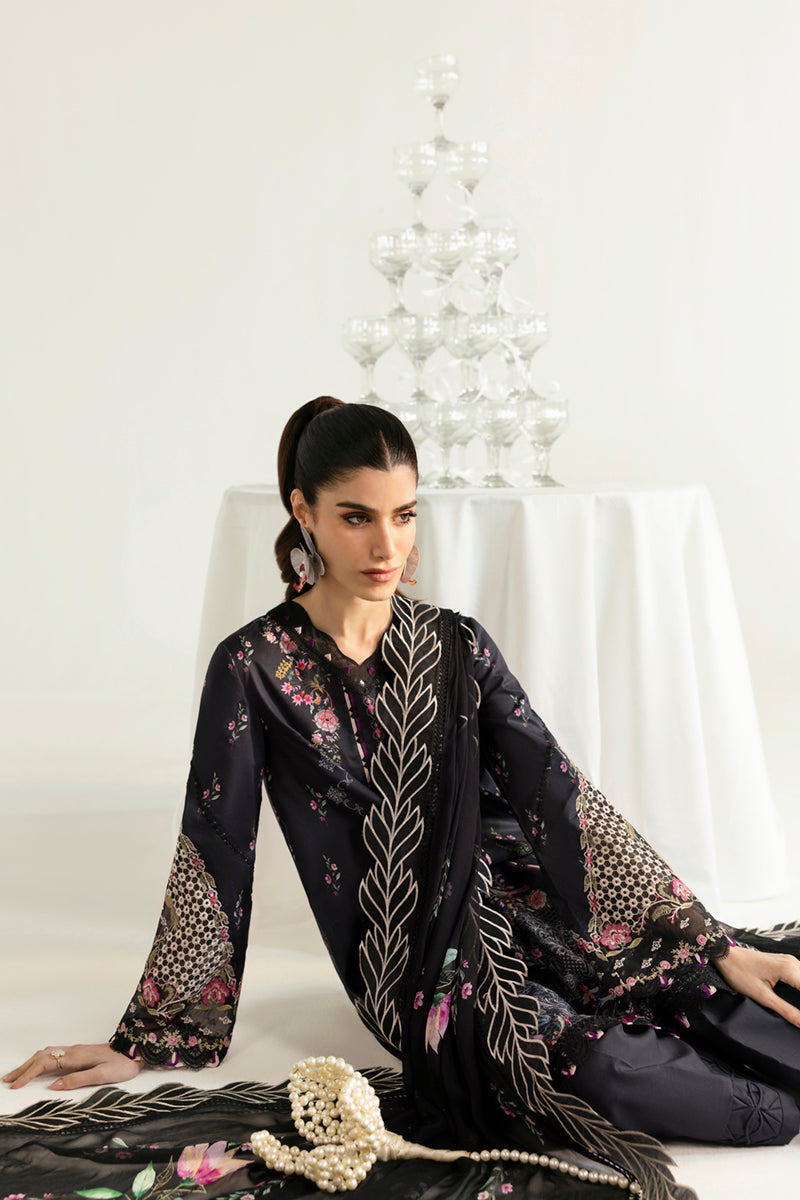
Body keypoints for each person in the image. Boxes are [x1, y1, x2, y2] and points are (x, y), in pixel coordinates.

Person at [3, 396, 800, 1200]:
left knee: (738, 1001)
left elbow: (560, 798)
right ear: (304, 513)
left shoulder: (455, 643)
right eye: (356, 517)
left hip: (537, 904)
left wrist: (709, 943)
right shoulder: (253, 667)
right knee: (680, 1094)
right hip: (417, 959)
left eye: (404, 515)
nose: (388, 546)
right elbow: (216, 845)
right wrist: (152, 1035)